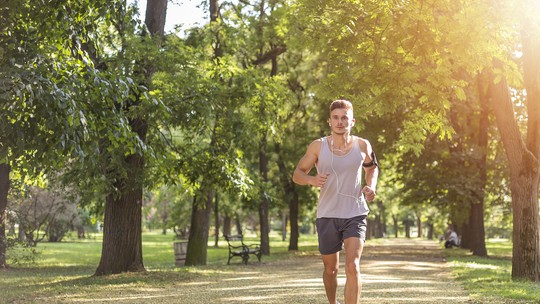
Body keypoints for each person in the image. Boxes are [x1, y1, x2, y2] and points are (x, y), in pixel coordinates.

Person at [293, 99, 379, 304]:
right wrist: (312, 180)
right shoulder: (317, 146)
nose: (340, 122)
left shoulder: (362, 145)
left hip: (355, 212)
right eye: (336, 118)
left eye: (344, 118)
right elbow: (297, 174)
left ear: (352, 122)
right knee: (330, 269)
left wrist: (371, 186)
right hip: (327, 214)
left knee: (353, 266)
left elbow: (372, 167)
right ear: (329, 121)